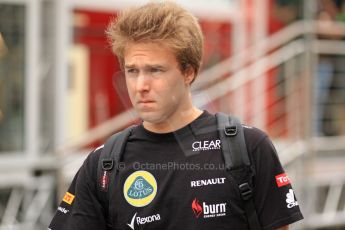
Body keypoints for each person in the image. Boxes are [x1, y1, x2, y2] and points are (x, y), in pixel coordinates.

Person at [48, 2, 303, 230]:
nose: (140, 86)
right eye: (132, 71)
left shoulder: (248, 147)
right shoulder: (102, 162)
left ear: (188, 72)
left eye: (155, 70)